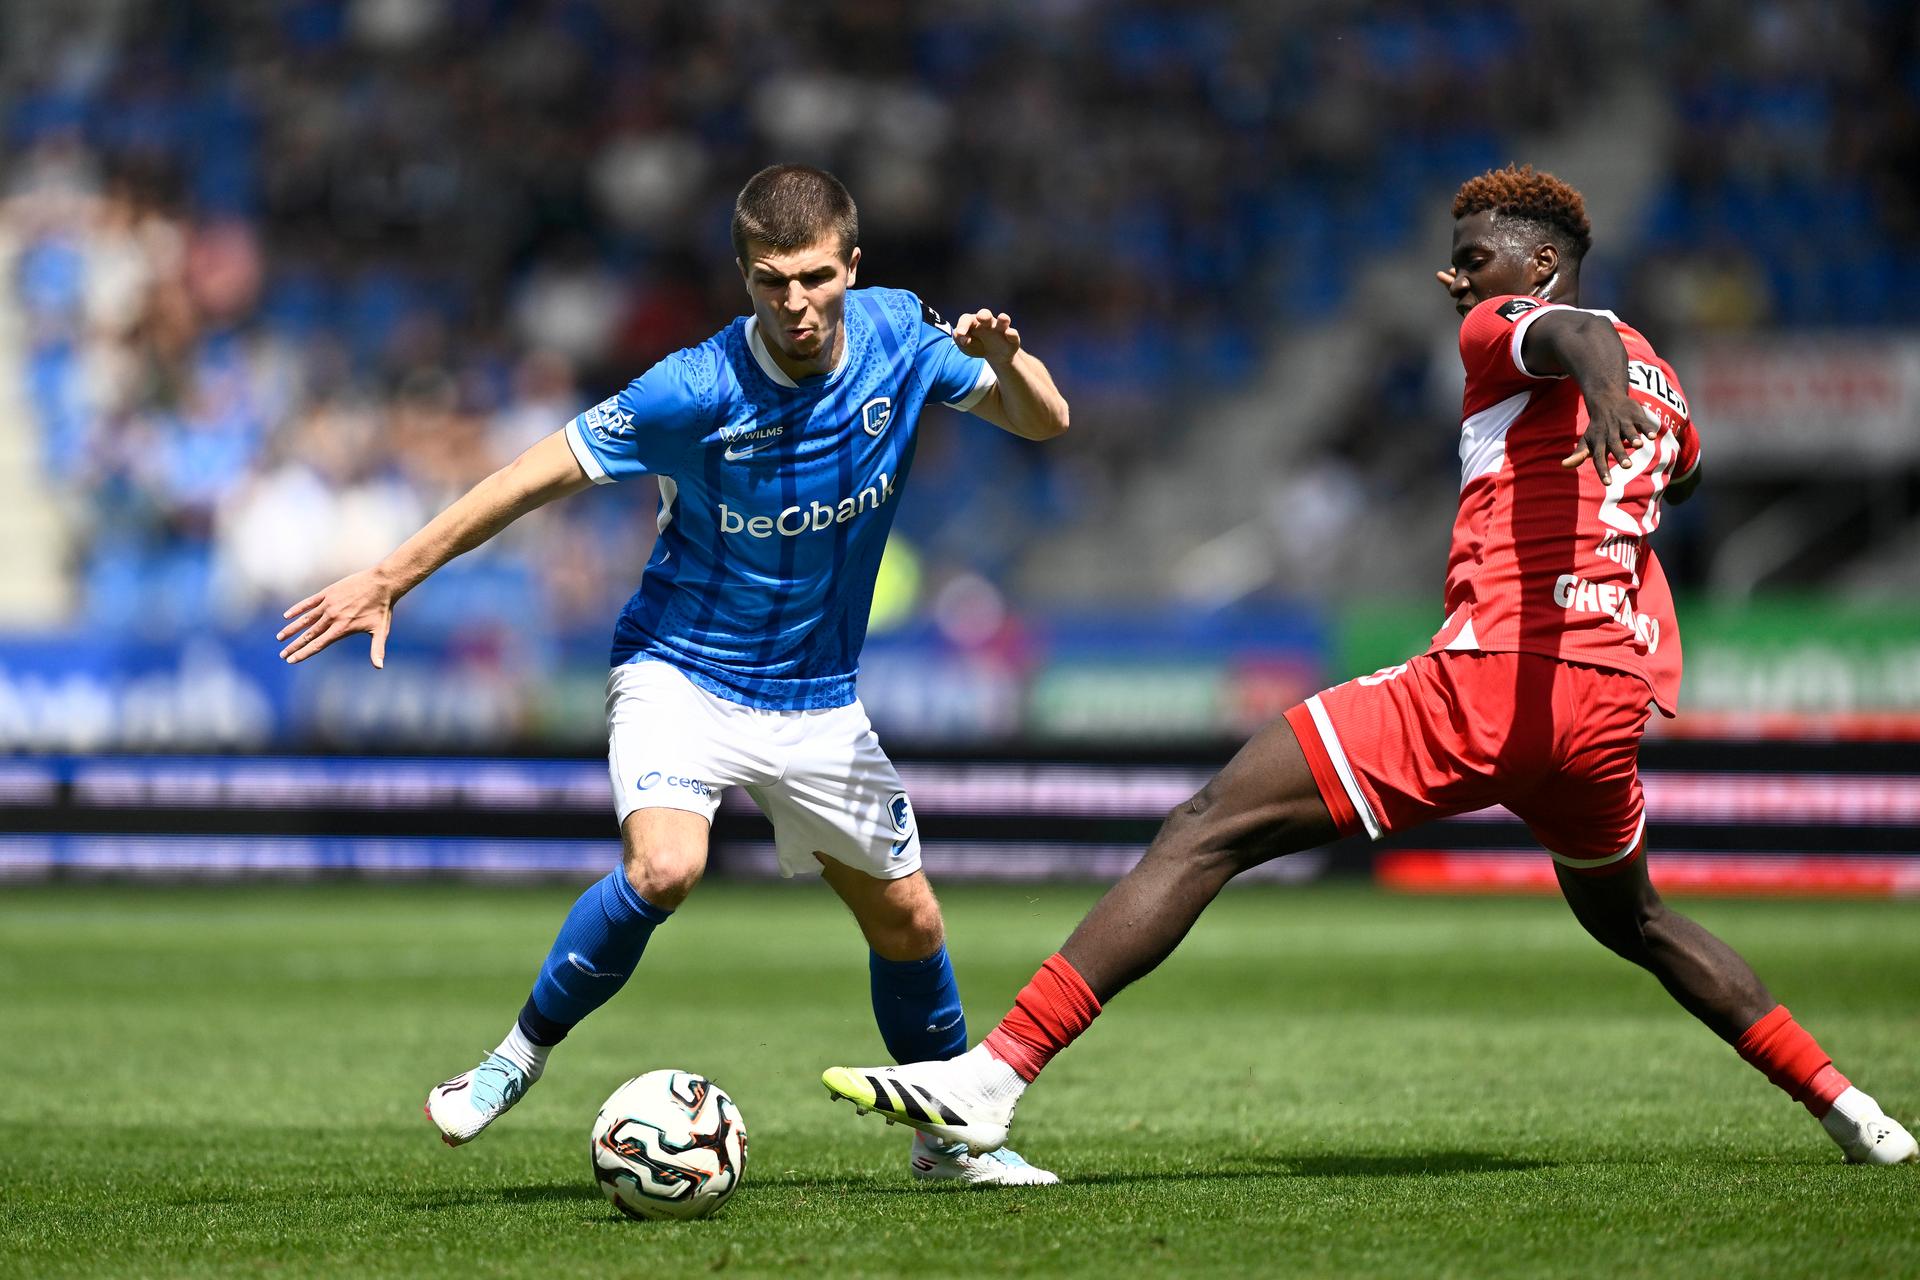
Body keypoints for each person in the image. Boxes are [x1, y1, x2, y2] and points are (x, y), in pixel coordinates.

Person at [821, 164, 1917, 1169]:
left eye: (1476, 254)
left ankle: (991, 1077)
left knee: (1209, 824)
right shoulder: (1669, 380)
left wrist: (1596, 372)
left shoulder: (1513, 328)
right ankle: (1852, 1109)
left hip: (1495, 676)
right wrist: (1631, 406)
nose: (1456, 274)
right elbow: (1683, 471)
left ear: (1536, 264)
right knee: (1639, 919)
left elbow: (1574, 334)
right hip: (1604, 705)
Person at [279, 164, 1070, 1186]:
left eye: (817, 277)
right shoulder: (689, 389)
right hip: (680, 670)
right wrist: (391, 574)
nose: (797, 303)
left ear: (854, 267)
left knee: (910, 919)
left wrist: (1010, 364)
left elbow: (1043, 420)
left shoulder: (903, 335)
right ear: (741, 275)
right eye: (772, 280)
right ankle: (513, 1059)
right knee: (666, 866)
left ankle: (951, 1144)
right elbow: (530, 477)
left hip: (816, 695)